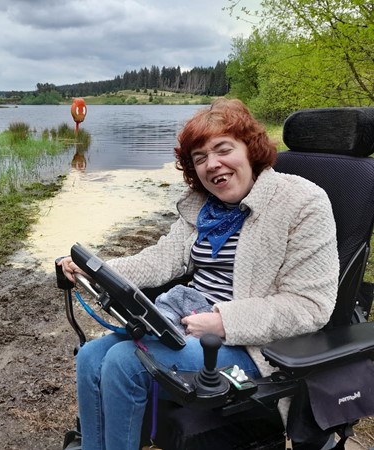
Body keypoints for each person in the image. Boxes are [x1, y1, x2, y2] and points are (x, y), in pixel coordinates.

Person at [58, 98, 339, 450]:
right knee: (90, 357)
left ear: (250, 149)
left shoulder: (302, 202)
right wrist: (97, 270)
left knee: (124, 362)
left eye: (223, 149)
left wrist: (224, 321)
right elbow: (163, 259)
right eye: (200, 158)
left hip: (253, 345)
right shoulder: (206, 207)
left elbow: (311, 306)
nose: (212, 164)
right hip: (188, 323)